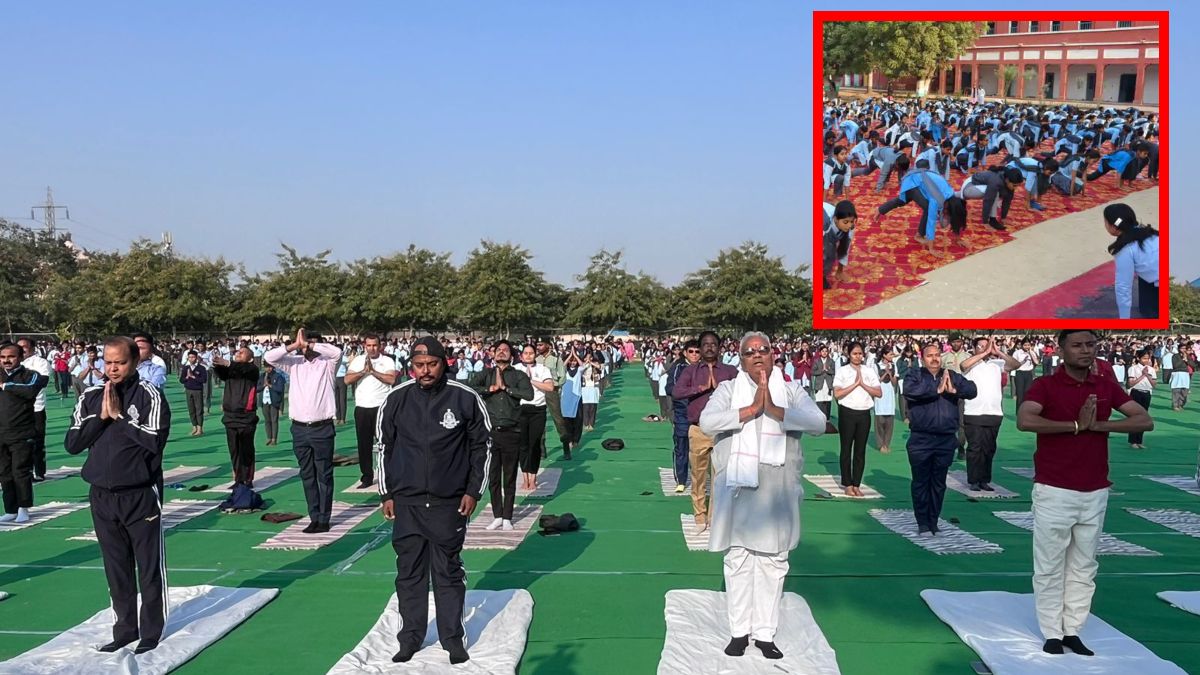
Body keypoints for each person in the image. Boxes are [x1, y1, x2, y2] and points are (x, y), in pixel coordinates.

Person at [1016, 329, 1153, 656]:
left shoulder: (1105, 385)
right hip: (1054, 488)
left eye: (1090, 345)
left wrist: (1100, 426)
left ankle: (1072, 629)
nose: (1085, 350)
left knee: (1084, 565)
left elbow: (1144, 420)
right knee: (1050, 563)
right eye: (1077, 345)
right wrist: (1074, 426)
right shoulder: (1045, 385)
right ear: (1061, 349)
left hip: (1095, 489)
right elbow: (1024, 419)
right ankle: (1051, 631)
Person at [699, 332, 826, 660]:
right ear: (740, 360)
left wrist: (775, 410)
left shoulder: (792, 390)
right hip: (739, 490)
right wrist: (751, 409)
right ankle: (739, 631)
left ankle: (766, 633)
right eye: (749, 352)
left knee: (773, 561)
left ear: (773, 355)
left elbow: (818, 422)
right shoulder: (729, 389)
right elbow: (707, 421)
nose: (757, 356)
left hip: (777, 491)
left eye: (763, 350)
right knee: (738, 559)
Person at [376, 336, 489, 665]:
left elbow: (482, 446)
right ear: (411, 366)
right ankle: (410, 637)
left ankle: (452, 638)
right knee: (408, 571)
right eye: (419, 365)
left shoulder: (464, 398)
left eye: (432, 365)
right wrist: (386, 493)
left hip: (449, 502)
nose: (425, 371)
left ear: (445, 363)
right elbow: (383, 447)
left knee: (448, 571)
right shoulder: (396, 399)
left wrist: (473, 490)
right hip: (407, 501)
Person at [64, 336, 170, 653]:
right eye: (108, 362)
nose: (113, 368)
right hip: (101, 496)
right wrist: (103, 417)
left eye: (120, 362)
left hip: (140, 494)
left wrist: (120, 416)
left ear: (135, 361)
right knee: (116, 566)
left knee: (148, 566)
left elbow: (153, 441)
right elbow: (72, 444)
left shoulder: (149, 394)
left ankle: (151, 632)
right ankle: (125, 629)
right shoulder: (91, 398)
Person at [265, 328, 341, 534]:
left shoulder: (327, 365)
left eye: (310, 344)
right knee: (307, 474)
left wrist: (311, 344)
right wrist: (293, 346)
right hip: (299, 429)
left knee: (324, 475)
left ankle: (324, 519)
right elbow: (268, 357)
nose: (306, 348)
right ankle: (314, 516)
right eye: (304, 344)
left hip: (322, 427)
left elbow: (336, 353)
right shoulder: (294, 364)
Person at [903, 342, 977, 535]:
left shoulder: (951, 375)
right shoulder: (915, 375)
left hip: (945, 439)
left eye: (937, 355)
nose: (934, 358)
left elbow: (972, 390)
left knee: (938, 483)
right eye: (930, 355)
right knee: (921, 482)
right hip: (921, 439)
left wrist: (955, 391)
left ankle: (933, 520)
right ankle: (922, 523)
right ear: (922, 358)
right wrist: (936, 390)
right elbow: (910, 392)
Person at [671, 331, 738, 533]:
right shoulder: (691, 371)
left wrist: (722, 391)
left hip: (722, 431)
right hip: (698, 429)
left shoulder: (730, 371)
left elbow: (742, 393)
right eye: (705, 344)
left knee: (720, 476)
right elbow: (676, 392)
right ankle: (699, 515)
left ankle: (715, 517)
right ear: (700, 349)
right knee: (698, 475)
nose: (709, 347)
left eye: (713, 344)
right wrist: (700, 388)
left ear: (719, 348)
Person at [468, 340, 533, 531]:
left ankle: (507, 517)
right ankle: (497, 514)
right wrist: (490, 389)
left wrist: (506, 389)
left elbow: (528, 395)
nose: (502, 353)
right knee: (493, 476)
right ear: (492, 354)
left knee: (510, 476)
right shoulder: (486, 374)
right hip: (490, 432)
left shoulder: (518, 375)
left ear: (511, 355)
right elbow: (470, 388)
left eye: (505, 350)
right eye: (498, 350)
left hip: (512, 430)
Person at [961, 337, 1021, 491]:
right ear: (974, 349)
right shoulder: (971, 364)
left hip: (994, 413)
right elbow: (963, 365)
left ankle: (984, 479)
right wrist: (984, 353)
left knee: (989, 448)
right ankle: (973, 480)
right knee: (975, 448)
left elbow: (1015, 365)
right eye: (980, 346)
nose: (984, 349)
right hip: (973, 412)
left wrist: (998, 352)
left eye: (986, 346)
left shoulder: (997, 365)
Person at [1, 343, 48, 523]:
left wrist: (6, 386)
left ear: (21, 357)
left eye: (11, 356)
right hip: (1, 432)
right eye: (3, 357)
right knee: (4, 473)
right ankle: (11, 509)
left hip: (22, 432)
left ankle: (23, 507)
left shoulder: (30, 375)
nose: (7, 360)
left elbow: (30, 391)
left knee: (20, 471)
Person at [344, 335, 398, 489]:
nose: (372, 348)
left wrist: (373, 371)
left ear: (380, 346)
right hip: (362, 407)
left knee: (386, 443)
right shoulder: (358, 360)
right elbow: (347, 380)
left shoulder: (387, 360)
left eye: (375, 345)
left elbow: (391, 379)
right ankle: (367, 476)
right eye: (369, 345)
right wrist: (363, 372)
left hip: (381, 406)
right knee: (364, 444)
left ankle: (389, 474)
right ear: (364, 346)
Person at [874, 168, 968, 255]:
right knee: (928, 208)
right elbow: (931, 221)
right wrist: (931, 249)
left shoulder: (952, 198)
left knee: (901, 200)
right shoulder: (937, 200)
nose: (946, 215)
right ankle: (919, 235)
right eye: (947, 213)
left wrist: (958, 239)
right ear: (947, 207)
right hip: (913, 181)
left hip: (920, 179)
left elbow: (956, 217)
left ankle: (880, 209)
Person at [833, 341, 881, 496]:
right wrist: (855, 384)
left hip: (864, 413)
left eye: (860, 353)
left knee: (860, 451)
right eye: (854, 353)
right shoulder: (842, 371)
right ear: (848, 354)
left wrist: (863, 384)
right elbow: (837, 394)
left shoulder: (869, 371)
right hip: (847, 412)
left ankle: (856, 484)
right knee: (846, 449)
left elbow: (879, 393)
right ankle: (847, 483)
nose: (858, 356)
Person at [212, 346, 260, 487]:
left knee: (246, 449)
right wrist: (216, 364)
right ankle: (238, 479)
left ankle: (247, 479)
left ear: (250, 358)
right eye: (237, 352)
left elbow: (241, 369)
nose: (238, 353)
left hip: (246, 416)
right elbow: (222, 373)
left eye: (242, 352)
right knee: (234, 450)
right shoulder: (232, 371)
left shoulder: (252, 369)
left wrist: (226, 363)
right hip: (230, 416)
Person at [1102, 203, 1159, 320]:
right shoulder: (1149, 232)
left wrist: (1124, 318)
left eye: (1105, 222)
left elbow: (1123, 287)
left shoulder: (1125, 250)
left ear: (1113, 226)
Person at [514, 344, 552, 491]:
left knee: (534, 443)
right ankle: (525, 478)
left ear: (535, 354)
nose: (528, 355)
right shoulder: (516, 369)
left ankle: (533, 477)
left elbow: (550, 387)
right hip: (521, 410)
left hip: (538, 410)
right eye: (526, 353)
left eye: (531, 353)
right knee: (522, 444)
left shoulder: (543, 369)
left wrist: (531, 381)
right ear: (521, 355)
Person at [665, 340, 700, 492]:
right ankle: (681, 479)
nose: (694, 355)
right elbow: (670, 388)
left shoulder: (706, 367)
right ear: (685, 352)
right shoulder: (678, 367)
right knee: (681, 447)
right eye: (691, 351)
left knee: (701, 450)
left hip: (702, 416)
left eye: (697, 352)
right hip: (682, 414)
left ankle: (700, 480)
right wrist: (689, 393)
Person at [15, 338, 51, 482]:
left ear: (32, 348)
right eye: (19, 347)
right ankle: (24, 471)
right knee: (19, 442)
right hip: (16, 409)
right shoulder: (13, 364)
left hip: (36, 407)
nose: (22, 350)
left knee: (37, 441)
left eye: (24, 347)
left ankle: (39, 471)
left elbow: (42, 381)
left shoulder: (40, 363)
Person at [822, 200, 857, 290]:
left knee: (830, 255)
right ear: (836, 219)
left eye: (851, 221)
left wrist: (840, 271)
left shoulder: (851, 226)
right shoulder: (824, 222)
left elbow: (845, 248)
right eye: (845, 222)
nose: (849, 225)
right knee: (826, 253)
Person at [1125, 349, 1155, 449]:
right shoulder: (1133, 369)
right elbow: (1130, 383)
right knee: (1134, 416)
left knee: (1143, 417)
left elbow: (1154, 384)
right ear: (1138, 358)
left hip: (1146, 393)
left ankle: (1139, 440)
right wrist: (1142, 375)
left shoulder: (1151, 369)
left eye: (1148, 358)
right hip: (1136, 393)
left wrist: (1147, 375)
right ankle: (1133, 440)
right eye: (1144, 358)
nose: (1146, 360)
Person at [179, 350, 208, 435]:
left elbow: (204, 380)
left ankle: (200, 428)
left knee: (199, 409)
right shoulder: (186, 368)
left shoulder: (201, 368)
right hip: (188, 390)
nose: (191, 359)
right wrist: (187, 377)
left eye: (193, 357)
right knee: (191, 409)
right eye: (190, 357)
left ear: (196, 358)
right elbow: (181, 380)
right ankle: (194, 427)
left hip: (198, 390)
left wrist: (194, 377)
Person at [875, 349, 897, 454]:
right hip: (880, 394)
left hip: (890, 394)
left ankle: (887, 444)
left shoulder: (894, 366)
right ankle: (880, 444)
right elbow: (876, 381)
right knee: (879, 422)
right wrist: (885, 373)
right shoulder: (877, 365)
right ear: (884, 355)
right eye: (890, 354)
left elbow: (894, 382)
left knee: (889, 423)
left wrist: (890, 373)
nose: (892, 356)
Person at [258, 362, 286, 446]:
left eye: (270, 367)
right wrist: (263, 385)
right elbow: (257, 388)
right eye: (267, 367)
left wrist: (270, 385)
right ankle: (269, 438)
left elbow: (280, 389)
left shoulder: (278, 376)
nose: (268, 369)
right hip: (264, 401)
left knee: (274, 420)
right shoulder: (262, 376)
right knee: (267, 420)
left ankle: (274, 439)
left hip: (274, 401)